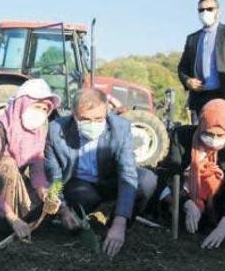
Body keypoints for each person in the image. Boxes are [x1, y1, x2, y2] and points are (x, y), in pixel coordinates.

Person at [44, 88, 157, 257]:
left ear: (106, 111)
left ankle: (116, 224)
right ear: (73, 114)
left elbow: (128, 173)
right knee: (85, 199)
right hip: (79, 186)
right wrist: (63, 209)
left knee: (147, 180)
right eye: (85, 119)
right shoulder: (55, 130)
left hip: (110, 180)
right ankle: (79, 221)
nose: (92, 124)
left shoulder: (120, 128)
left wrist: (119, 223)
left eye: (98, 119)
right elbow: (55, 176)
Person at [0, 79, 61, 239]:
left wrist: (44, 193)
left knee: (41, 205)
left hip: (10, 186)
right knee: (8, 165)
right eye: (37, 106)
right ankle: (0, 223)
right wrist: (12, 217)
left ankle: (21, 223)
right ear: (22, 104)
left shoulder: (37, 132)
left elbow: (37, 172)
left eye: (44, 109)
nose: (40, 113)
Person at [157, 99, 225, 249]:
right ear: (201, 125)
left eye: (220, 136)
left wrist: (223, 227)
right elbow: (172, 173)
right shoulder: (182, 136)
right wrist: (186, 202)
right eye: (209, 134)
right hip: (182, 195)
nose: (213, 141)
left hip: (217, 203)